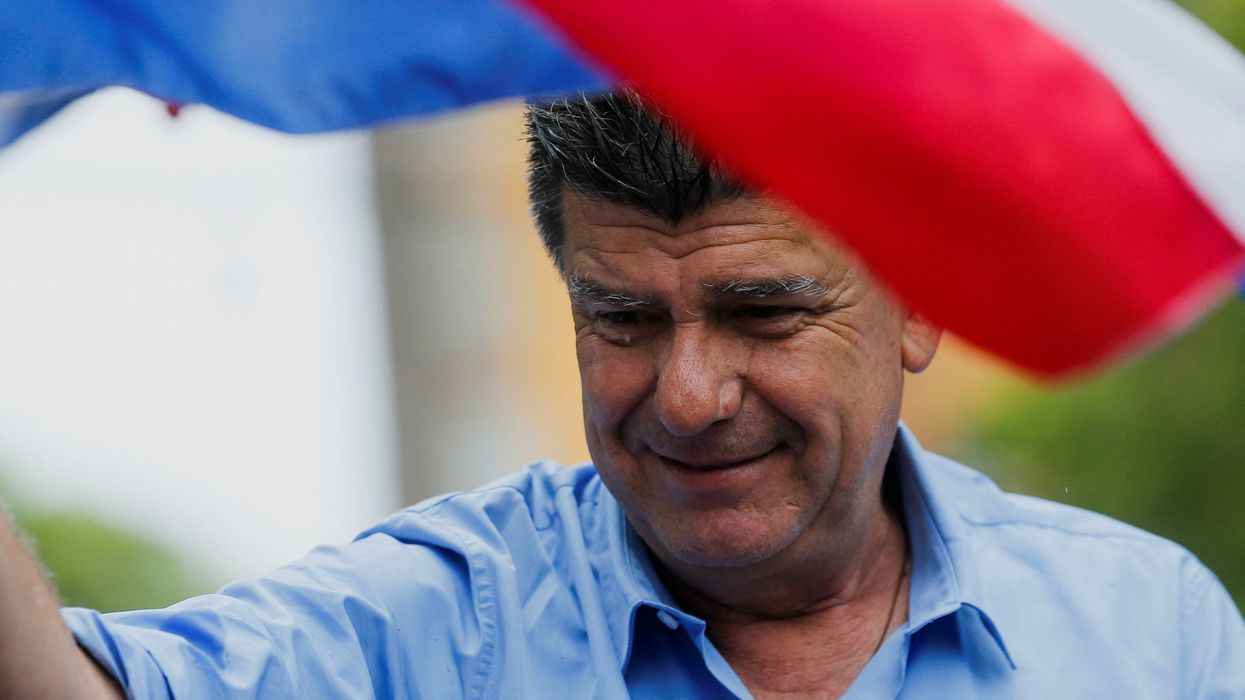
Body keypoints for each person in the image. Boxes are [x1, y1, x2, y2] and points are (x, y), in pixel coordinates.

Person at [2, 91, 1243, 700]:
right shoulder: (437, 627)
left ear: (918, 306)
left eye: (763, 312)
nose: (689, 395)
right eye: (624, 320)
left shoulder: (1151, 634)